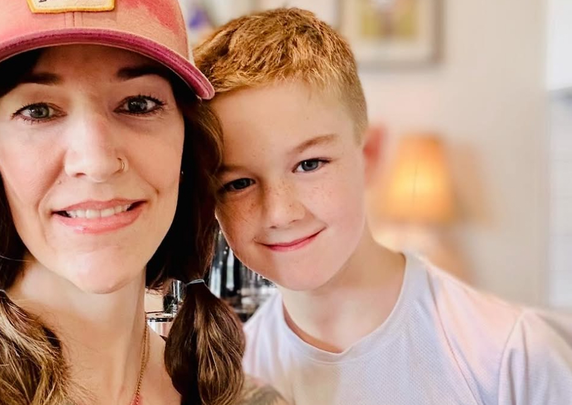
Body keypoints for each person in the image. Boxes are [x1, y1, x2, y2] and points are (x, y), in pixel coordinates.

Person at [0, 1, 288, 404]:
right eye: (38, 111)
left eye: (138, 104)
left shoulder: (245, 399)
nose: (96, 162)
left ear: (186, 145)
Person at [194, 7, 572, 405]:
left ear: (370, 154)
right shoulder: (234, 382)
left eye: (310, 164)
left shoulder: (513, 357)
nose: (279, 213)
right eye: (238, 184)